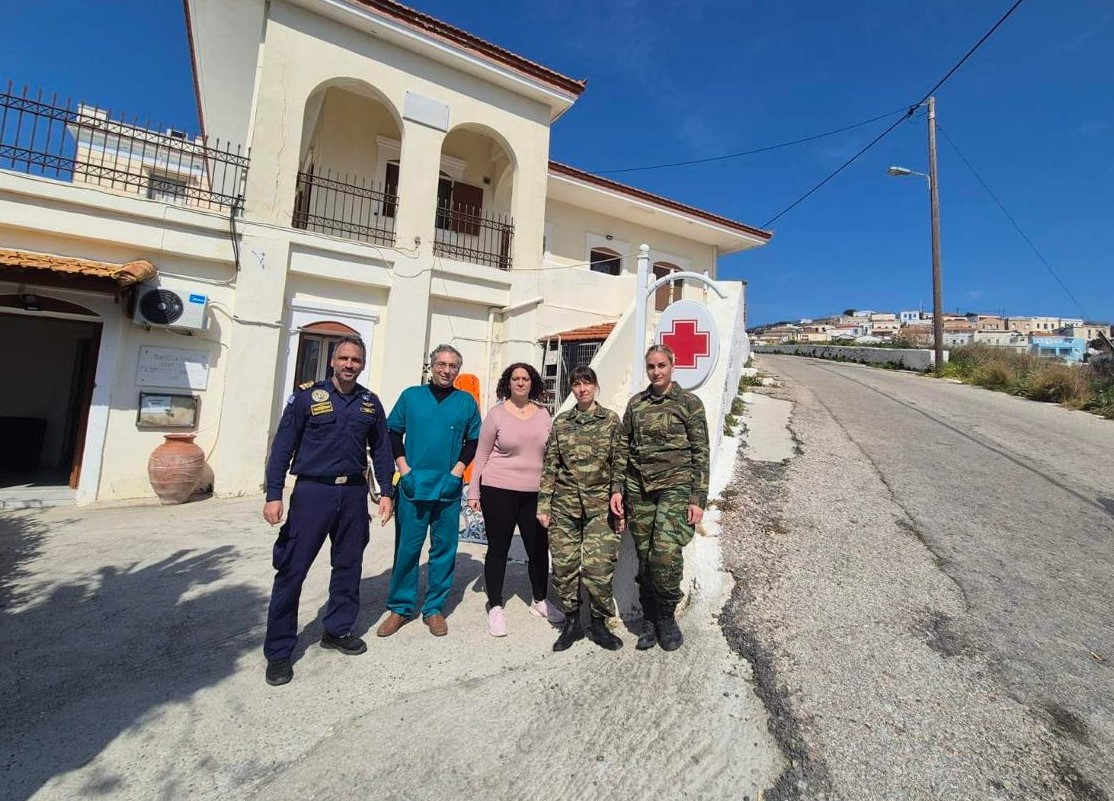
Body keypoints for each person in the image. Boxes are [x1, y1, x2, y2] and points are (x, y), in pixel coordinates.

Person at [262, 336, 395, 686]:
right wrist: (274, 494)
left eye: (356, 360)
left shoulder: (369, 402)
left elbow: (382, 449)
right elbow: (282, 446)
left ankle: (337, 629)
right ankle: (279, 651)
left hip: (352, 493)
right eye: (344, 358)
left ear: (362, 364)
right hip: (312, 493)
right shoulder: (307, 397)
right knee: (292, 569)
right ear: (333, 361)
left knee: (349, 565)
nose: (350, 365)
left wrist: (386, 492)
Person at [609, 343, 709, 652]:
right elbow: (622, 447)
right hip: (639, 489)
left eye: (661, 365)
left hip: (675, 487)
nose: (656, 372)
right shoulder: (636, 404)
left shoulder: (689, 403)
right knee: (645, 556)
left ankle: (666, 616)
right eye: (651, 366)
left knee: (665, 555)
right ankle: (649, 618)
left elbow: (700, 452)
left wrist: (698, 497)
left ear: (672, 366)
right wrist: (617, 488)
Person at [377, 344, 482, 638]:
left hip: (447, 487)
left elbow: (474, 440)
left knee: (444, 549)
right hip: (413, 485)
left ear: (458, 370)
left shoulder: (466, 402)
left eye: (453, 366)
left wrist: (457, 472)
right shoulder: (411, 396)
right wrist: (404, 469)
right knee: (407, 549)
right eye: (441, 364)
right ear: (431, 367)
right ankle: (400, 607)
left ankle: (434, 608)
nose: (446, 370)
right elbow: (393, 432)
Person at [467, 363, 561, 637]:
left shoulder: (543, 414)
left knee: (538, 548)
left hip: (536, 492)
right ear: (508, 383)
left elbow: (551, 454)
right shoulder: (496, 415)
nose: (520, 383)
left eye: (525, 379)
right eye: (515, 378)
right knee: (498, 548)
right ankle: (495, 605)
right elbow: (481, 455)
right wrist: (474, 491)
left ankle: (540, 600)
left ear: (533, 383)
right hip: (499, 489)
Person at [538, 366, 623, 652]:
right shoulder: (562, 422)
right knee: (564, 568)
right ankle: (572, 622)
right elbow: (550, 465)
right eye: (577, 384)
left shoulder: (610, 420)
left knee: (599, 569)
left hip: (601, 508)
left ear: (596, 387)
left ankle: (599, 623)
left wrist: (620, 503)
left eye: (587, 383)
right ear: (572, 389)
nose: (582, 389)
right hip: (564, 506)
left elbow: (619, 464)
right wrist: (544, 505)